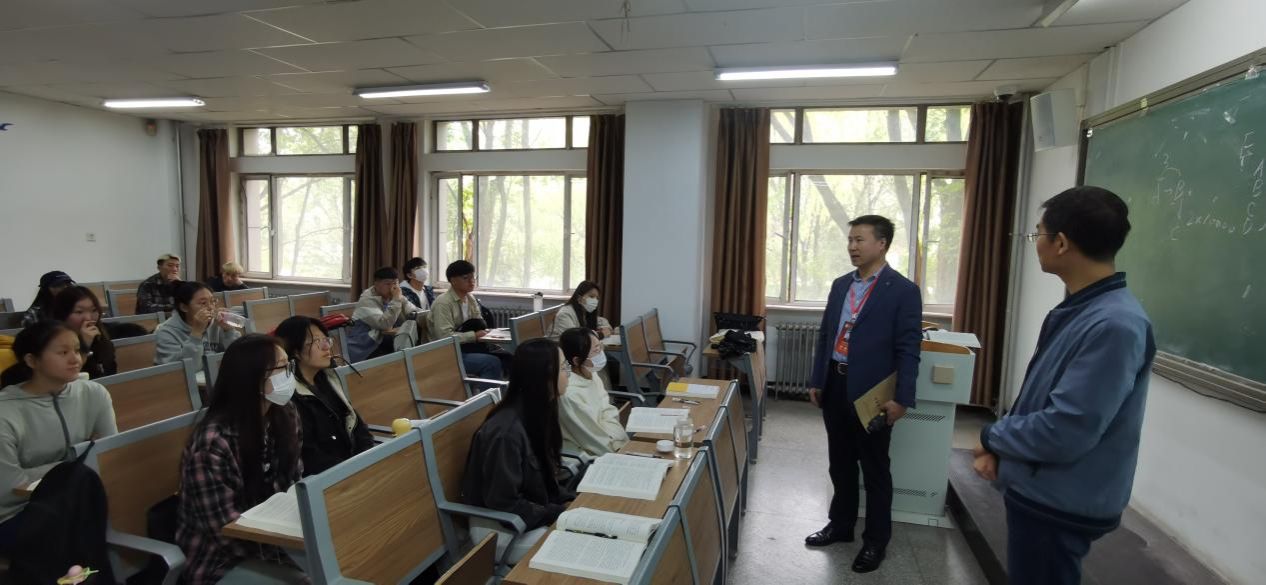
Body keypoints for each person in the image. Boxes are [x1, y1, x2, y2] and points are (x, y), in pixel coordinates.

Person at [973, 186, 1155, 585]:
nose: (1035, 242)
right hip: (1043, 486)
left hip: (1059, 498)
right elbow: (1043, 399)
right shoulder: (1084, 308)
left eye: (1038, 233)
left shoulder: (1114, 324)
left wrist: (993, 436)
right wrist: (1003, 451)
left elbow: (1065, 429)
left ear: (1060, 243)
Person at [803, 214, 921, 574]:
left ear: (881, 244)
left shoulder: (903, 290)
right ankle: (840, 525)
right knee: (839, 462)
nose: (852, 246)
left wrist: (903, 398)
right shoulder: (841, 285)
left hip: (873, 393)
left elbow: (909, 349)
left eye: (860, 240)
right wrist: (817, 379)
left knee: (875, 468)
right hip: (836, 384)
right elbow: (827, 334)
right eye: (850, 240)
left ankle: (875, 541)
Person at [176, 334, 305, 584]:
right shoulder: (212, 445)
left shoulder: (286, 413)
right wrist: (295, 552)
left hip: (280, 540)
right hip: (222, 560)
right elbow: (225, 531)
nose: (290, 375)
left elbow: (293, 482)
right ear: (252, 379)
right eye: (281, 368)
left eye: (289, 365)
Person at [0, 322, 118, 552]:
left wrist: (47, 472)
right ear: (32, 360)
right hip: (16, 514)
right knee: (89, 531)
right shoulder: (6, 412)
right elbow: (10, 489)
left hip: (78, 499)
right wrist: (78, 461)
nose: (75, 359)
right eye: (63, 353)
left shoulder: (93, 393)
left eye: (77, 350)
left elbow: (108, 456)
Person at [461, 338, 574, 565]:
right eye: (564, 367)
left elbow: (544, 478)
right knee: (579, 544)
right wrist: (556, 512)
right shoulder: (505, 433)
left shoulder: (539, 411)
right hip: (500, 528)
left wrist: (568, 502)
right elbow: (503, 502)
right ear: (543, 376)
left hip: (530, 514)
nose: (568, 374)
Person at [274, 316, 374, 477]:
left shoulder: (327, 379)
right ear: (295, 352)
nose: (326, 346)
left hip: (353, 469)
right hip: (330, 479)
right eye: (316, 342)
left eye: (326, 340)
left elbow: (355, 423)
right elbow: (309, 457)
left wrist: (369, 457)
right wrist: (353, 472)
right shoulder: (289, 396)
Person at [557, 328, 627, 457]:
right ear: (577, 361)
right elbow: (591, 438)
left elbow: (608, 410)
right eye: (596, 351)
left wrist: (617, 438)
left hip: (613, 441)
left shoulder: (591, 372)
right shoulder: (569, 393)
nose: (601, 353)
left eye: (600, 347)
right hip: (588, 455)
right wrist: (618, 450)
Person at [428, 261, 503, 380]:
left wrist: (488, 334)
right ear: (453, 280)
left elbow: (479, 323)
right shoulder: (443, 303)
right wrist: (474, 336)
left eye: (473, 277)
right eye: (466, 278)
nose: (472, 281)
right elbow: (444, 337)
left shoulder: (470, 298)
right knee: (491, 363)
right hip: (447, 353)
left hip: (467, 347)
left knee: (509, 357)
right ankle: (485, 393)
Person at [155, 282, 241, 372]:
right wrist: (196, 333)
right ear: (184, 307)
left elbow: (238, 357)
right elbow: (186, 370)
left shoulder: (217, 324)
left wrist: (228, 330)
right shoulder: (166, 332)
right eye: (203, 303)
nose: (211, 307)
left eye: (213, 301)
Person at [346, 267, 426, 363]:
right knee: (407, 357)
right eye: (388, 284)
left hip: (383, 342)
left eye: (395, 283)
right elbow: (385, 325)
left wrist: (427, 315)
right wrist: (396, 300)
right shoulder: (367, 301)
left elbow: (414, 310)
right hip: (365, 349)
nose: (392, 288)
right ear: (376, 284)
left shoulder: (395, 295)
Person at [51, 286, 116, 379]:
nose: (88, 318)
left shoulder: (101, 338)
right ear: (62, 316)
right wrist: (84, 345)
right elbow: (62, 379)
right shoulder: (52, 344)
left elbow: (111, 376)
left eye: (94, 310)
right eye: (79, 312)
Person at [548, 281, 614, 339]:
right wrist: (601, 334)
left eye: (597, 298)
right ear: (579, 298)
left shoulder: (585, 311)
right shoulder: (565, 313)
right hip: (558, 347)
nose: (595, 301)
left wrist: (605, 329)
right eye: (591, 296)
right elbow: (575, 338)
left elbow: (603, 322)